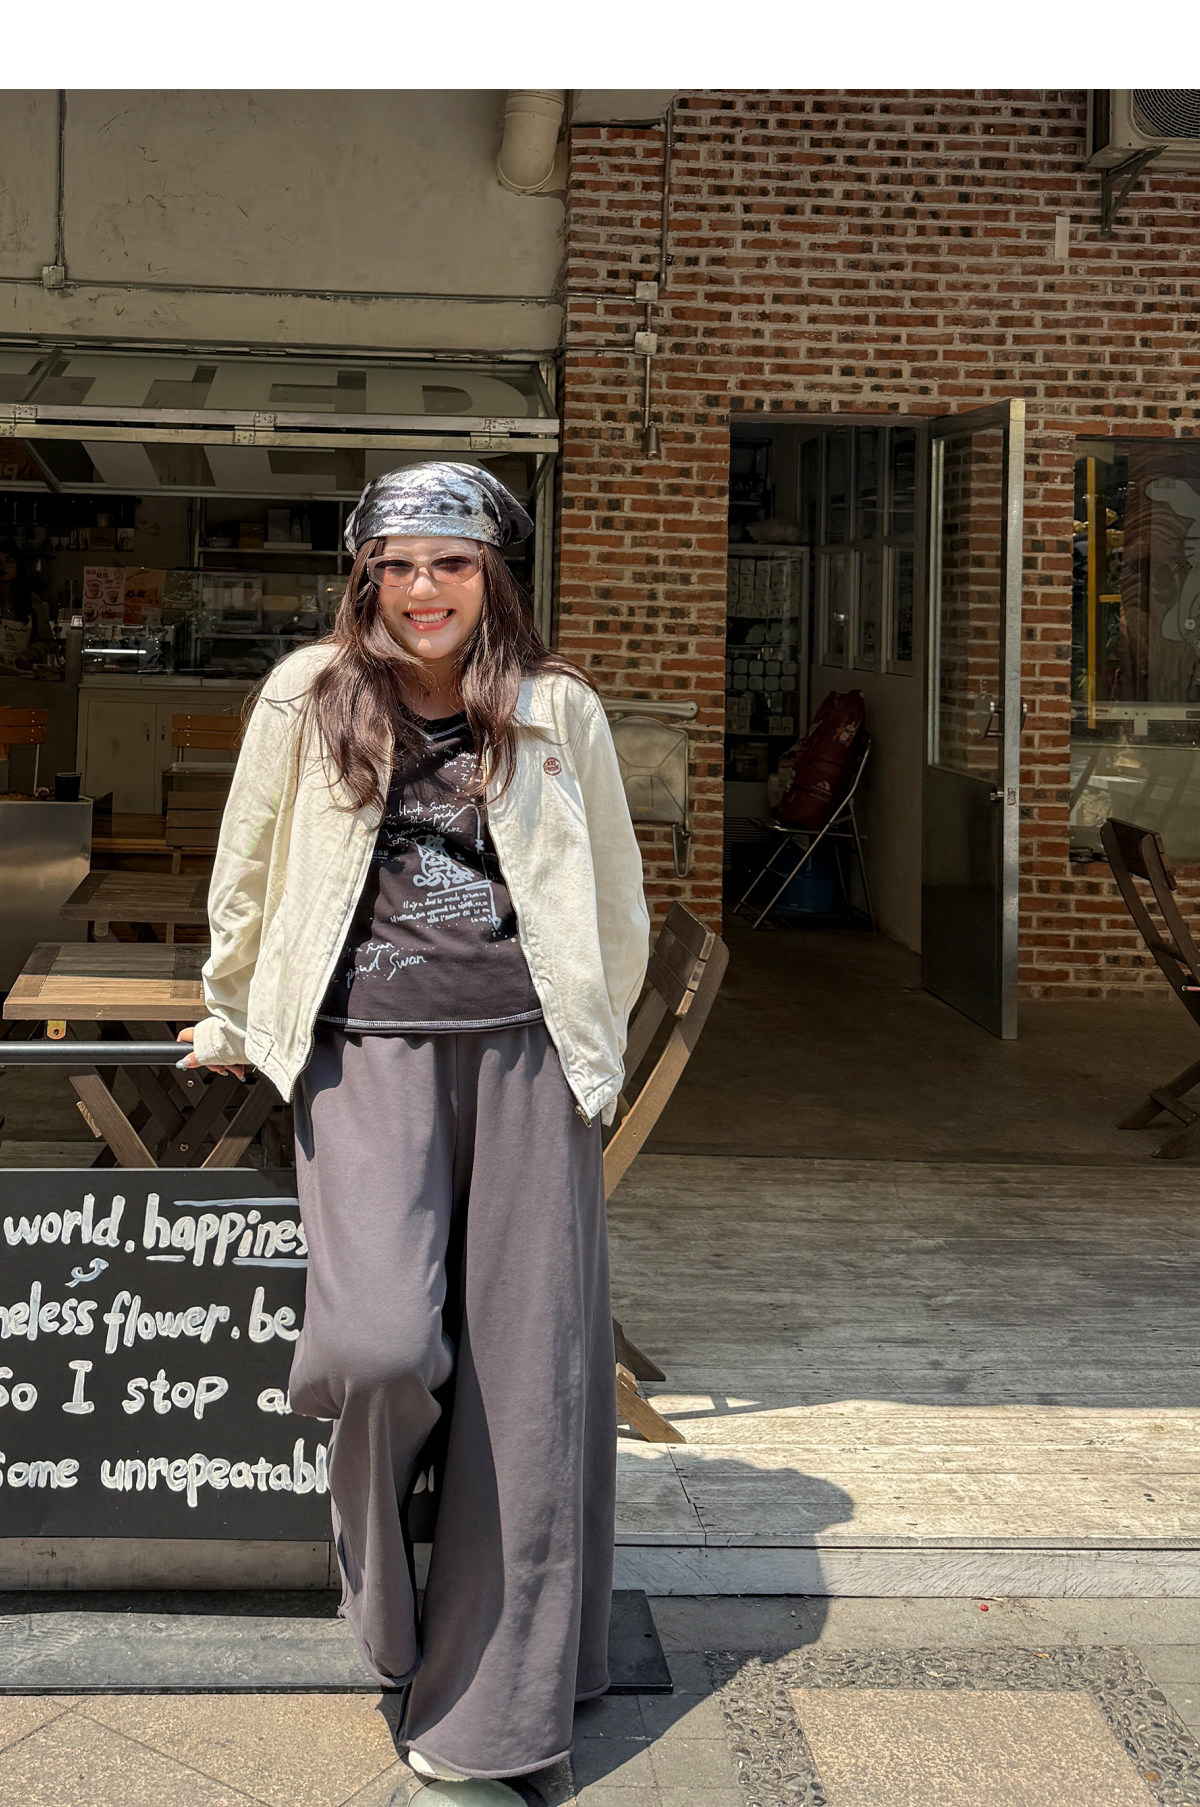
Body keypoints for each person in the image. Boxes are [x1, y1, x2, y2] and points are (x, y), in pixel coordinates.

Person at [177, 462, 650, 1804]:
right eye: (397, 564)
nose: (422, 588)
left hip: (526, 1059)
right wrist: (230, 1008)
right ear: (366, 576)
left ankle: (490, 1718)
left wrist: (593, 1053)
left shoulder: (557, 709)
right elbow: (249, 860)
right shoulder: (307, 694)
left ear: (491, 576)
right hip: (362, 1053)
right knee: (376, 1346)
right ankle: (387, 1609)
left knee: (527, 1387)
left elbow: (614, 896)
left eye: (450, 563)